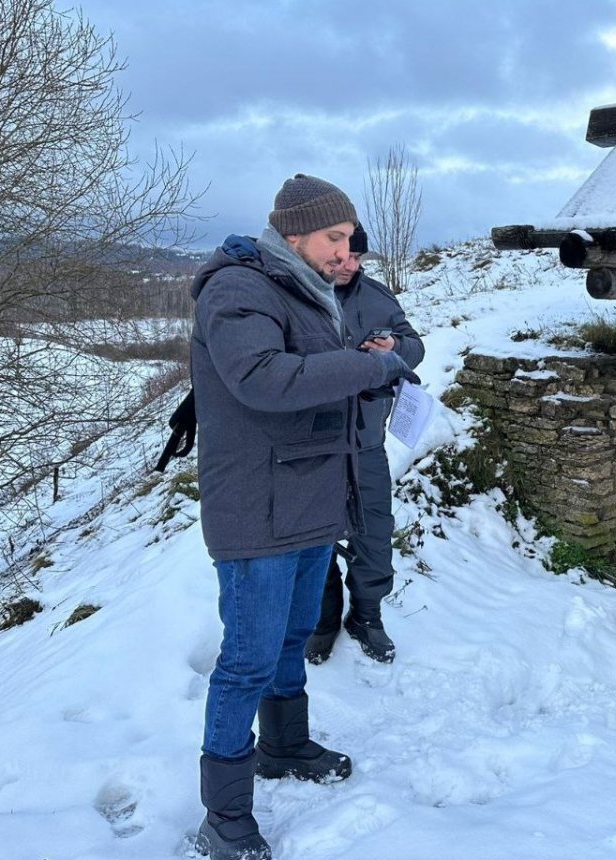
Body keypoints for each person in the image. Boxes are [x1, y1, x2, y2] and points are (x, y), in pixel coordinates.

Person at [190, 174, 420, 860]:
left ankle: (285, 747)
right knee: (247, 661)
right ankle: (223, 816)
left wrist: (381, 357)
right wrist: (364, 367)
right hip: (256, 507)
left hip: (312, 498)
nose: (347, 252)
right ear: (294, 234)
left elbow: (372, 351)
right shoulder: (238, 289)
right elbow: (263, 379)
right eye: (335, 238)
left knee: (292, 638)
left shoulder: (307, 290)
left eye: (349, 238)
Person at [305, 225, 424, 665]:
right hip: (314, 444)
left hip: (367, 441)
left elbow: (414, 346)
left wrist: (395, 346)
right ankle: (322, 620)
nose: (348, 267)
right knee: (316, 535)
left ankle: (367, 616)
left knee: (374, 532)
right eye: (341, 258)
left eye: (357, 259)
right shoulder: (300, 297)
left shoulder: (377, 296)